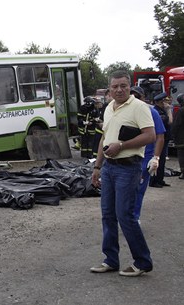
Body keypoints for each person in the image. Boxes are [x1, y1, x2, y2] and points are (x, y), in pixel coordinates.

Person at [91, 70, 155, 277]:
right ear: (109, 89)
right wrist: (97, 167)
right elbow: (103, 139)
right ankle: (110, 260)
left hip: (128, 168)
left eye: (123, 86)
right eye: (115, 86)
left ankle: (143, 261)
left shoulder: (139, 107)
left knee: (124, 216)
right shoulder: (109, 108)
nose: (119, 90)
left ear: (130, 86)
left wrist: (122, 145)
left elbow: (150, 135)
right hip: (109, 168)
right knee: (108, 215)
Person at [129, 86, 165, 222]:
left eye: (137, 97)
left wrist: (156, 158)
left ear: (143, 98)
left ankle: (135, 216)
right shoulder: (125, 111)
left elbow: (160, 136)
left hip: (145, 158)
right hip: (128, 157)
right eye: (131, 96)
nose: (134, 100)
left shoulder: (152, 112)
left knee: (138, 188)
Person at [149, 92, 171, 188]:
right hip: (159, 140)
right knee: (157, 160)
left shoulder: (161, 111)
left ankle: (160, 179)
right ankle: (153, 181)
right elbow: (170, 121)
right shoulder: (157, 112)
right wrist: (169, 110)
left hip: (165, 139)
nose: (166, 103)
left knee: (162, 161)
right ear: (160, 102)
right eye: (164, 101)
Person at [171, 93, 184, 180]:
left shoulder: (181, 111)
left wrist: (172, 134)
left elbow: (176, 124)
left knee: (182, 155)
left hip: (181, 138)